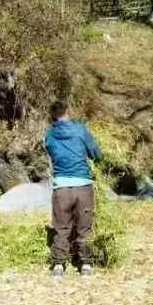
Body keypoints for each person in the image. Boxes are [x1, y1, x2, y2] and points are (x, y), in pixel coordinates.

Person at [44, 101, 101, 280]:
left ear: (52, 117)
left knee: (61, 227)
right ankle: (85, 264)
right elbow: (95, 153)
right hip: (82, 185)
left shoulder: (49, 134)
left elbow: (52, 152)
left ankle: (59, 266)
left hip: (61, 187)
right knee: (84, 227)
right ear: (67, 112)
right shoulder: (80, 130)